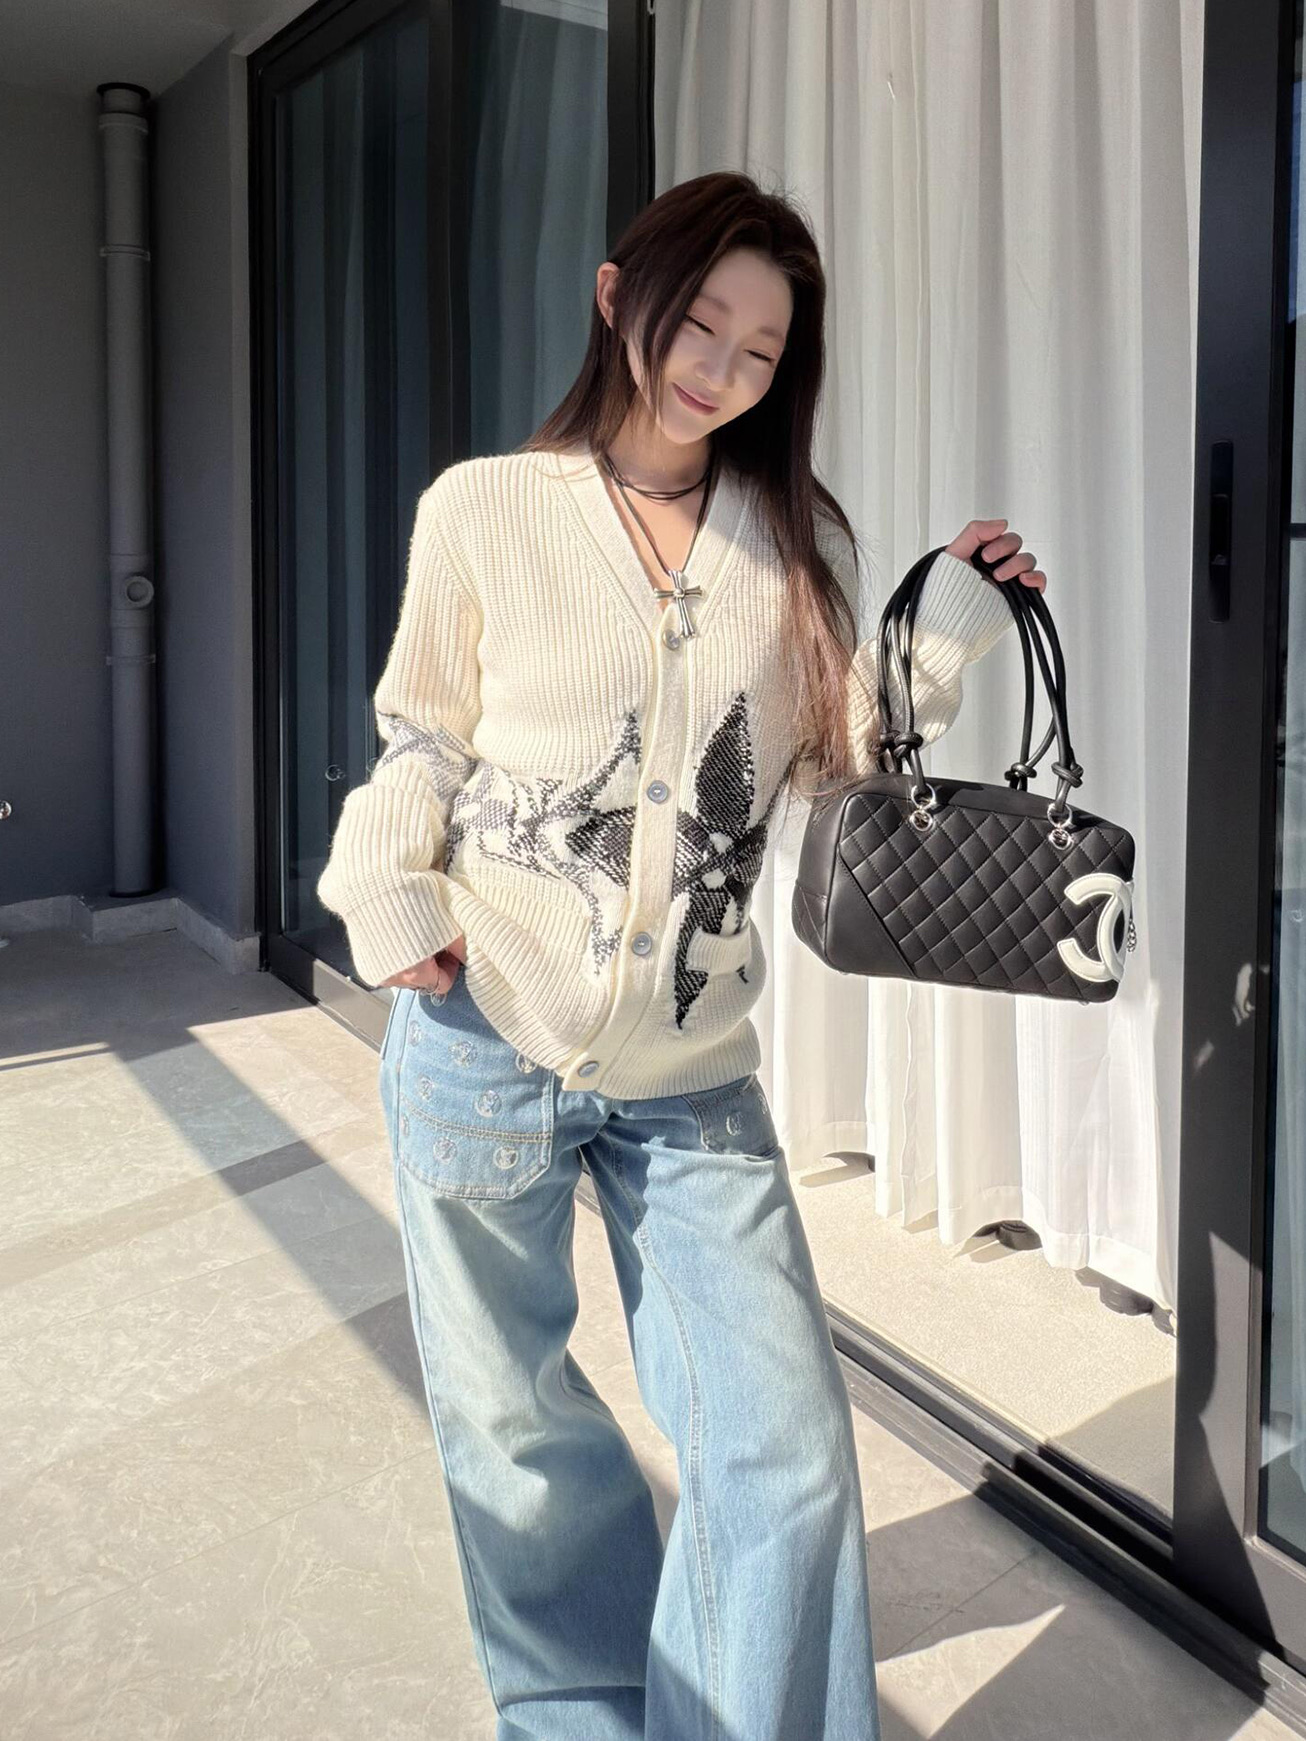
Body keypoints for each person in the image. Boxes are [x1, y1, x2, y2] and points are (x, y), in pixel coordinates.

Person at [317, 168, 1046, 1741]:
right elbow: (420, 736)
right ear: (616, 297)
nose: (718, 365)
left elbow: (836, 763)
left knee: (778, 1448)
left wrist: (946, 619)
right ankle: (575, 1715)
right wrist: (388, 893)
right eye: (699, 321)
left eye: (759, 349)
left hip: (691, 1078)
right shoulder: (484, 509)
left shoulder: (784, 553)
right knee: (515, 1432)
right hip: (484, 1034)